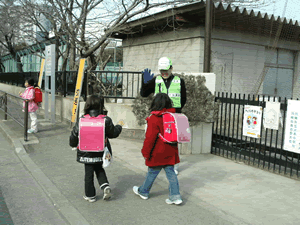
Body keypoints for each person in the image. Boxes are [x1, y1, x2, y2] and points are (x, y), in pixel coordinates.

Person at [69, 94, 124, 203]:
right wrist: (119, 126)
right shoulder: (105, 120)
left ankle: (90, 195)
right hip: (101, 151)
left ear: (87, 105)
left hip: (86, 151)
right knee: (99, 168)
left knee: (88, 173)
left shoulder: (82, 119)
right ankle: (105, 186)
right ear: (101, 105)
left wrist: (73, 144)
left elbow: (74, 135)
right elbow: (113, 134)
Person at [133, 93, 183, 205]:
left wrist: (145, 152)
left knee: (152, 172)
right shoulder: (173, 116)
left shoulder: (154, 118)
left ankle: (143, 191)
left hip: (157, 152)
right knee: (171, 173)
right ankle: (175, 196)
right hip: (171, 151)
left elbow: (150, 139)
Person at [140, 57, 187, 175]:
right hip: (158, 116)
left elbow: (183, 98)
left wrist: (177, 111)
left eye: (166, 70)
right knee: (154, 139)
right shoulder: (156, 80)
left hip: (173, 116)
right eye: (161, 71)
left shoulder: (179, 81)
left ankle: (173, 166)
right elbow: (143, 94)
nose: (164, 73)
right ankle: (155, 163)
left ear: (171, 68)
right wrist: (145, 83)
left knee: (173, 141)